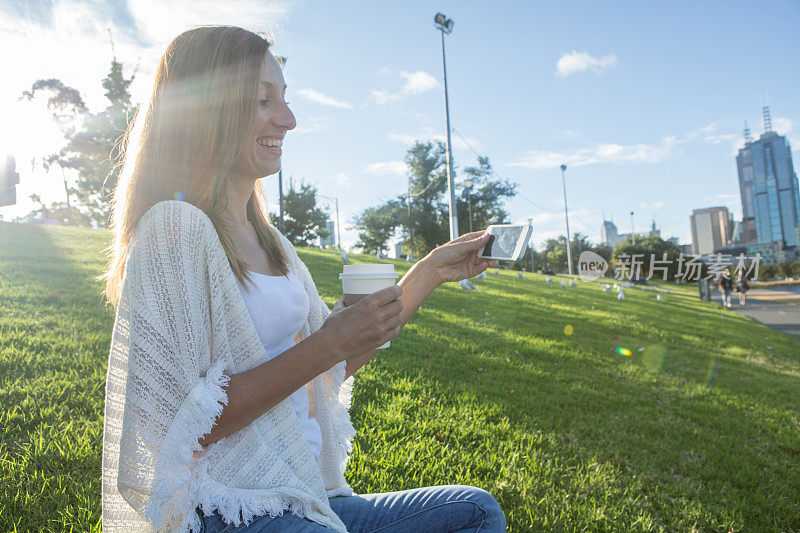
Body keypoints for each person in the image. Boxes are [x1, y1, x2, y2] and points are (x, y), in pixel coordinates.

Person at [99, 26, 506, 533]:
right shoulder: (174, 228)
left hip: (305, 493)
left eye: (285, 99)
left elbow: (328, 368)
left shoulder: (274, 243)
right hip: (232, 506)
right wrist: (328, 343)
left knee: (475, 512)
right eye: (262, 101)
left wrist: (429, 272)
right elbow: (177, 425)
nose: (288, 120)